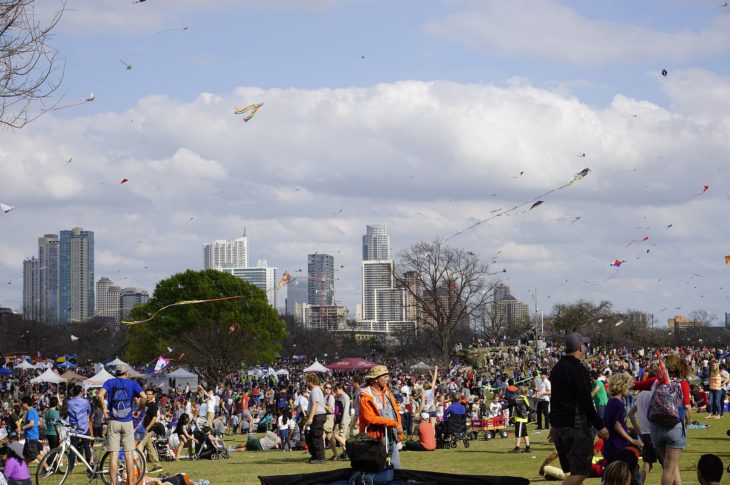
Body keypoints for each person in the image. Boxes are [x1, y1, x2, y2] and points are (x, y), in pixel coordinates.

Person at [549, 333, 609, 485]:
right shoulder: (578, 369)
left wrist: (553, 424)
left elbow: (555, 398)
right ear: (580, 348)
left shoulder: (557, 368)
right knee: (582, 470)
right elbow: (585, 401)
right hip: (576, 425)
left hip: (559, 426)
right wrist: (600, 425)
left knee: (574, 471)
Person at [98, 363, 147, 485]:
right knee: (128, 455)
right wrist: (139, 409)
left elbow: (100, 394)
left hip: (113, 421)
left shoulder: (110, 382)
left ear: (116, 373)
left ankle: (113, 483)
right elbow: (144, 396)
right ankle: (130, 483)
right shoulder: (132, 383)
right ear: (126, 373)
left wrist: (104, 409)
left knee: (113, 455)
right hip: (127, 422)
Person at [650, 354, 692, 485]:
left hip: (656, 427)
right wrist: (687, 422)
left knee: (672, 465)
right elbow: (687, 407)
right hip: (674, 427)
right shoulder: (682, 383)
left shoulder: (657, 382)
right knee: (669, 467)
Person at [358, 365, 403, 469]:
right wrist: (394, 423)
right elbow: (369, 418)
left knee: (396, 466)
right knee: (378, 467)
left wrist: (398, 427)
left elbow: (395, 410)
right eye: (385, 376)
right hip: (375, 437)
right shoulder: (365, 396)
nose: (388, 379)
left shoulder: (387, 392)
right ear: (376, 379)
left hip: (391, 435)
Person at [603, 372, 643, 465]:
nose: (629, 390)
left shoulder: (610, 402)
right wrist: (632, 440)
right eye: (627, 387)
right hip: (617, 445)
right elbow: (617, 426)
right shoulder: (618, 404)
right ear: (622, 387)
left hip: (610, 444)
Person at [628, 381, 661, 484]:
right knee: (667, 465)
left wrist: (639, 432)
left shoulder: (641, 395)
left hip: (644, 434)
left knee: (647, 464)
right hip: (654, 433)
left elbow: (630, 413)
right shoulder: (653, 394)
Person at [65, 384, 93, 474]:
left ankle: (70, 468)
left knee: (73, 448)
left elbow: (68, 412)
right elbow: (89, 411)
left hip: (73, 428)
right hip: (84, 427)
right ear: (81, 392)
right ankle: (89, 467)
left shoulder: (69, 402)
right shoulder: (85, 402)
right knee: (87, 448)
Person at [137, 388, 163, 474]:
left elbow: (154, 419)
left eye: (150, 394)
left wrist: (147, 429)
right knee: (149, 446)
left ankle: (144, 468)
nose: (148, 396)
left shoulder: (153, 405)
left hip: (148, 429)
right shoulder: (145, 404)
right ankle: (157, 465)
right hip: (143, 429)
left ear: (153, 395)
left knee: (139, 446)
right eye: (147, 394)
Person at [303, 373, 327, 464]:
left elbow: (315, 404)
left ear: (311, 381)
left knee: (316, 437)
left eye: (307, 381)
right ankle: (315, 456)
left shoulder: (315, 390)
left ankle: (320, 457)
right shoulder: (315, 390)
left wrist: (311, 417)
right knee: (310, 436)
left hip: (318, 415)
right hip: (316, 415)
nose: (306, 384)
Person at [20, 396, 43, 464]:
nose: (22, 406)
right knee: (26, 455)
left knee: (35, 454)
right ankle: (23, 470)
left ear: (26, 403)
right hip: (31, 436)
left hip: (31, 436)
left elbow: (31, 424)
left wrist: (22, 428)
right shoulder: (34, 411)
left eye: (22, 404)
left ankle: (47, 468)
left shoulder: (30, 411)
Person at [332, 383, 351, 459]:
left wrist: (343, 422)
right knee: (341, 436)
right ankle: (345, 453)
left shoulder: (345, 397)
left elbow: (346, 410)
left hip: (344, 419)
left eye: (336, 390)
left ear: (341, 388)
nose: (335, 391)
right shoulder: (340, 397)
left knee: (336, 435)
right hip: (341, 419)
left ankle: (348, 448)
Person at [511, 386, 531, 454]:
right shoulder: (525, 397)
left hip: (520, 418)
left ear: (521, 391)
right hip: (523, 418)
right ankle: (528, 447)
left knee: (518, 433)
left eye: (519, 389)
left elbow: (513, 402)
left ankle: (517, 448)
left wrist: (507, 397)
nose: (517, 390)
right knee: (525, 433)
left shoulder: (520, 397)